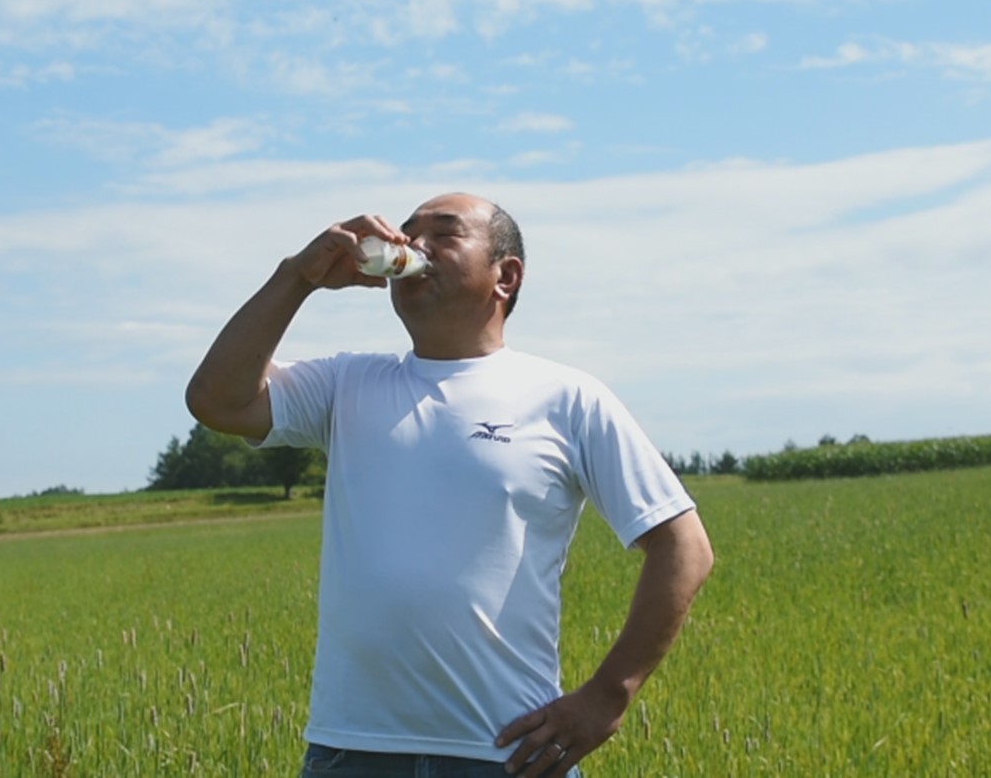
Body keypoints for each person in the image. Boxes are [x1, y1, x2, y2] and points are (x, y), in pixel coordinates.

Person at [186, 193, 714, 777]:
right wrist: (299, 276)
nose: (414, 246)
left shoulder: (567, 399)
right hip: (351, 753)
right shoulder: (347, 384)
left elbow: (683, 547)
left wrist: (606, 698)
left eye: (444, 233)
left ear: (505, 277)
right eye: (407, 233)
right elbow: (217, 401)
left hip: (508, 754)